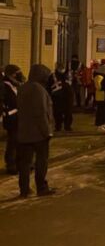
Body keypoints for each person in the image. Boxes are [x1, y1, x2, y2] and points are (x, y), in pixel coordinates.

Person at [16, 64, 55, 198]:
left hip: (24, 132)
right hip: (38, 133)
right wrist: (47, 131)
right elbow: (41, 112)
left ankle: (24, 189)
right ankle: (41, 187)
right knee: (41, 162)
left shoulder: (22, 88)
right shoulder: (38, 89)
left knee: (25, 163)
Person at [2, 65, 23, 175]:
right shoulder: (5, 85)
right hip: (11, 117)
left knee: (20, 141)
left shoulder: (16, 85)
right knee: (13, 141)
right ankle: (11, 164)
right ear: (11, 74)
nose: (19, 75)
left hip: (19, 116)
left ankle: (20, 163)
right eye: (17, 72)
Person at [48, 63, 75, 132]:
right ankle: (60, 126)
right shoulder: (53, 75)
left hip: (65, 96)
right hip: (58, 96)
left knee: (67, 112)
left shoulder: (68, 74)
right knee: (59, 113)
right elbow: (49, 86)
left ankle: (65, 126)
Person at [93, 65, 105, 130]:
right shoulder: (99, 77)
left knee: (102, 111)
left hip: (101, 96)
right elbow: (99, 87)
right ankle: (99, 124)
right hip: (101, 96)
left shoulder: (100, 77)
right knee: (101, 111)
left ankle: (101, 123)